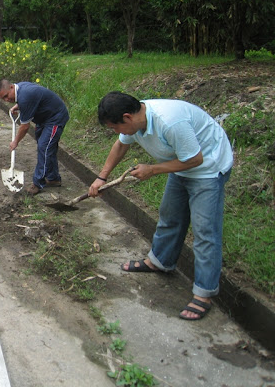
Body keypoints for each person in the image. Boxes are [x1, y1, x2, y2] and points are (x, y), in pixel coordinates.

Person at [88, 92, 233, 321]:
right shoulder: (135, 122)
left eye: (115, 127)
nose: (116, 132)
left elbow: (196, 159)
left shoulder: (170, 122)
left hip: (207, 169)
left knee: (205, 231)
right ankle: (160, 262)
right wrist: (101, 178)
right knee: (170, 216)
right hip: (181, 164)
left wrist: (153, 169)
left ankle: (204, 293)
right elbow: (120, 146)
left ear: (127, 117)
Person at [0, 79, 70, 195]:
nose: (6, 100)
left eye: (6, 96)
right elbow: (30, 100)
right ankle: (53, 178)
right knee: (47, 148)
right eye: (3, 98)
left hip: (55, 118)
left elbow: (25, 127)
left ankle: (38, 183)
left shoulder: (25, 96)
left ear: (11, 87)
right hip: (44, 118)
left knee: (44, 147)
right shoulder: (20, 89)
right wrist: (18, 105)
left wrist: (15, 142)